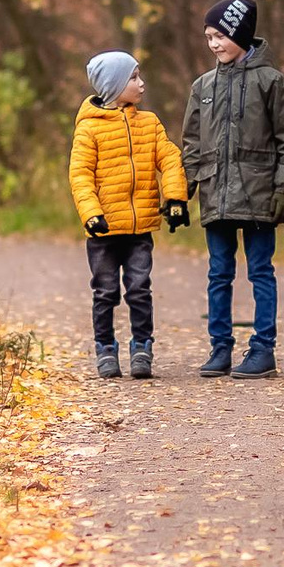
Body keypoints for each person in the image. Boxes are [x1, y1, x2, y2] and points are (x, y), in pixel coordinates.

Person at [179, 0, 284, 377]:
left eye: (221, 36)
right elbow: (190, 143)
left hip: (259, 194)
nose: (214, 44)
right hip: (215, 192)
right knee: (219, 273)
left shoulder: (271, 82)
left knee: (260, 271)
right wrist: (180, 191)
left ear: (240, 34)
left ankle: (263, 349)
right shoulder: (202, 86)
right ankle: (220, 348)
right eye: (208, 37)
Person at [68, 50, 189, 379]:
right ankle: (105, 347)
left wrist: (176, 197)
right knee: (105, 290)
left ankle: (142, 346)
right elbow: (80, 176)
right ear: (114, 85)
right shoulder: (89, 131)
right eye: (134, 77)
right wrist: (91, 213)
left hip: (140, 229)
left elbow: (170, 158)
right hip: (104, 231)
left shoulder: (149, 124)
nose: (141, 83)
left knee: (139, 288)